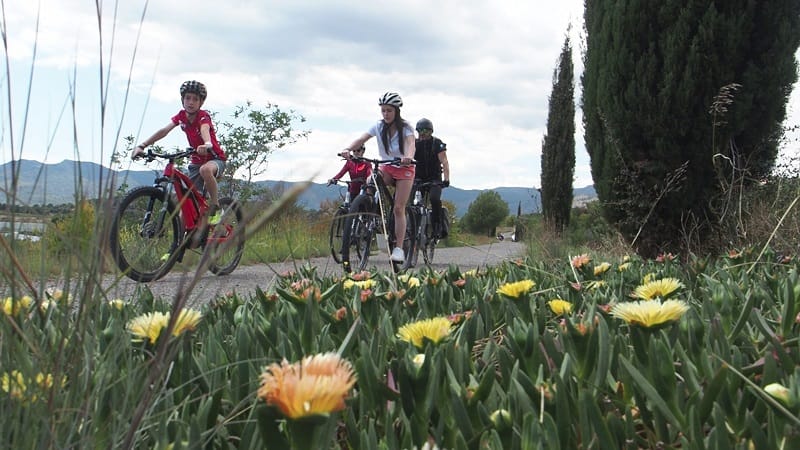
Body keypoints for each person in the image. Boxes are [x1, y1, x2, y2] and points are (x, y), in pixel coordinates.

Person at [131, 80, 227, 225]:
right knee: (186, 208)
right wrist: (142, 146)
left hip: (215, 159)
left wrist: (207, 144)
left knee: (205, 170)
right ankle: (181, 243)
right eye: (187, 98)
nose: (191, 102)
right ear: (182, 99)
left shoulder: (203, 116)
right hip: (195, 162)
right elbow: (164, 131)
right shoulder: (181, 116)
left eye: (195, 99)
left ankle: (216, 207)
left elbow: (204, 129)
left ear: (201, 102)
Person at [340, 91, 416, 265]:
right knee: (370, 181)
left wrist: (408, 157)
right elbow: (362, 138)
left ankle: (398, 248)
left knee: (398, 208)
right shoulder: (378, 126)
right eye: (383, 110)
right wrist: (348, 149)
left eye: (389, 110)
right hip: (387, 166)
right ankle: (369, 216)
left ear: (396, 111)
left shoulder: (406, 127)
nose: (386, 114)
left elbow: (411, 143)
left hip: (405, 168)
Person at [414, 118, 450, 238]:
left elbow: (444, 161)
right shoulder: (414, 144)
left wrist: (446, 179)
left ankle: (437, 226)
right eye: (420, 131)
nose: (423, 134)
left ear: (431, 131)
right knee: (412, 202)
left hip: (434, 178)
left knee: (434, 199)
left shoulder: (437, 143)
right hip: (418, 178)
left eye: (426, 131)